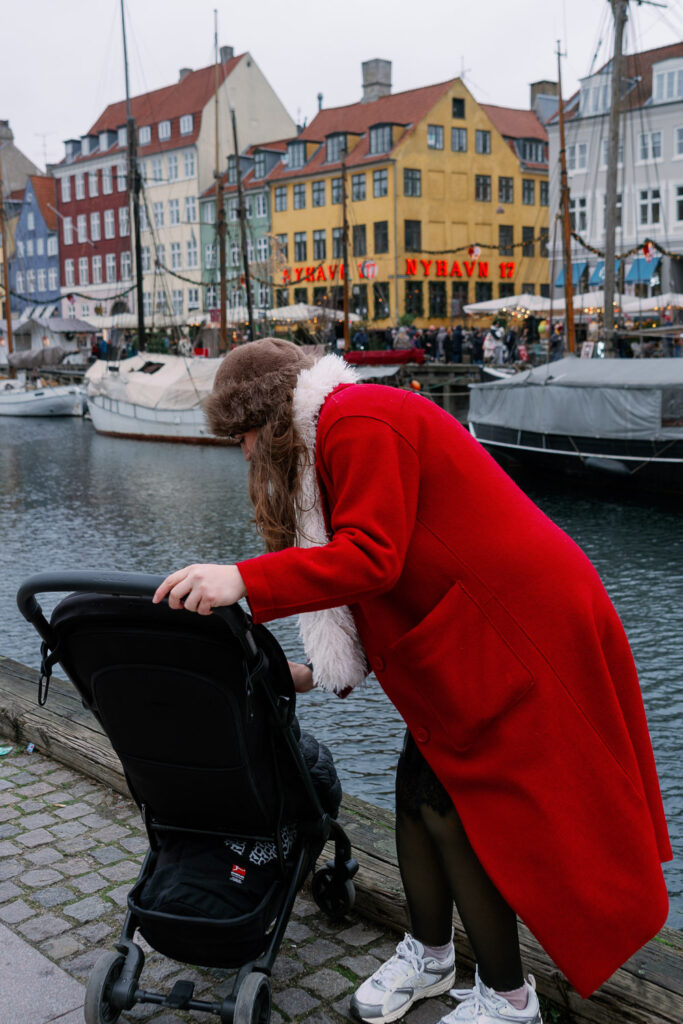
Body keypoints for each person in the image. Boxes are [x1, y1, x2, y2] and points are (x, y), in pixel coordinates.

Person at [154, 339, 671, 1024]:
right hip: (471, 626)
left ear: (272, 416)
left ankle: (509, 1000)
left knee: (454, 808)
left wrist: (243, 578)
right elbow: (386, 572)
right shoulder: (337, 431)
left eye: (245, 435)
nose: (245, 454)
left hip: (517, 623)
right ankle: (430, 956)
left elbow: (372, 555)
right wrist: (308, 670)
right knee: (416, 796)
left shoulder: (358, 419)